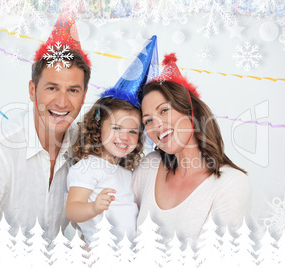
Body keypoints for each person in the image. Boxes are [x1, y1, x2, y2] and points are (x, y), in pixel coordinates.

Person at [0, 12, 91, 246]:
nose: (62, 103)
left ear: (84, 97)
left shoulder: (85, 148)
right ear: (33, 91)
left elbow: (96, 228)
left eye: (73, 90)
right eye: (52, 88)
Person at [132, 53, 251, 247]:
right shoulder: (150, 165)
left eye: (164, 110)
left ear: (190, 110)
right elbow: (115, 220)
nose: (157, 125)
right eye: (148, 120)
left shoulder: (232, 183)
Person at [66, 35, 158, 246]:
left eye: (133, 131)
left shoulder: (127, 173)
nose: (125, 136)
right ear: (98, 127)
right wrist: (93, 208)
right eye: (116, 128)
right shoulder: (88, 167)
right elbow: (72, 209)